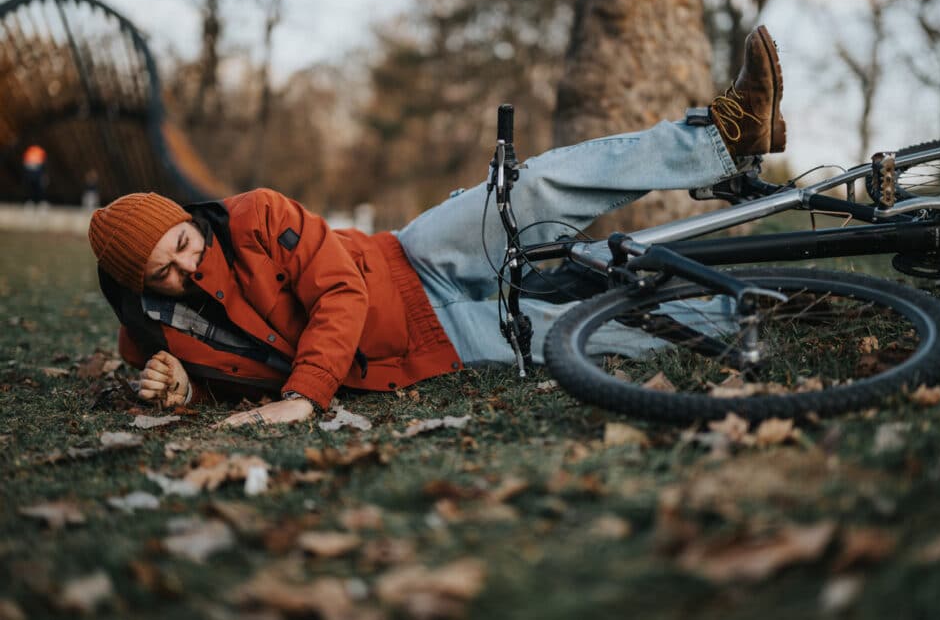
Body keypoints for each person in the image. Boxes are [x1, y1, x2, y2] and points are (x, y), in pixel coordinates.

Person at [89, 26, 786, 427]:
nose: (183, 270)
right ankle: (770, 311)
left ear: (186, 219)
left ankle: (725, 134)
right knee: (577, 333)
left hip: (411, 261)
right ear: (137, 288)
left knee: (534, 188)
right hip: (433, 347)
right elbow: (234, 371)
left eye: (180, 245)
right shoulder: (156, 330)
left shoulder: (255, 216)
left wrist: (303, 397)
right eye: (162, 275)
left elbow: (338, 293)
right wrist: (184, 382)